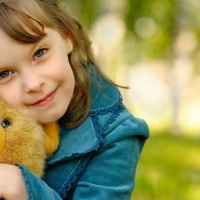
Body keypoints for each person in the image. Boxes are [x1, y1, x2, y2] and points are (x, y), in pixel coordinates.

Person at [0, 0, 149, 199]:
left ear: (66, 37)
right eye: (5, 73)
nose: (33, 84)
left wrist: (24, 189)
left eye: (40, 53)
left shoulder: (116, 134)